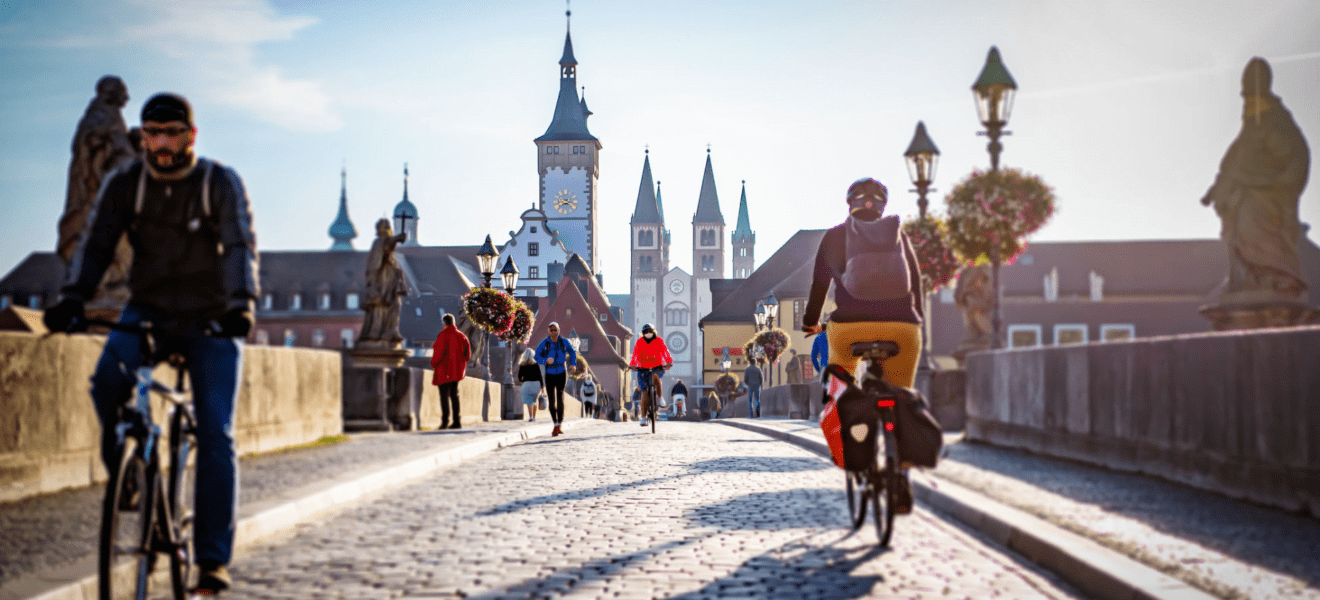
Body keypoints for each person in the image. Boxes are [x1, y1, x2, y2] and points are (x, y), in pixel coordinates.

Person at [44, 92, 258, 594]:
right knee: (104, 385)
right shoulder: (127, 183)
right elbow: (97, 243)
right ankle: (131, 469)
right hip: (150, 311)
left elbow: (238, 244)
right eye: (152, 134)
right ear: (142, 136)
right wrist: (74, 295)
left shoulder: (216, 183)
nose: (161, 143)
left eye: (171, 133)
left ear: (190, 136)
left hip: (211, 317)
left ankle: (210, 560)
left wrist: (241, 304)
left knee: (215, 435)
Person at [801, 177, 923, 513]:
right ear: (882, 206)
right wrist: (915, 321)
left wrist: (810, 321)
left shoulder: (836, 235)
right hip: (903, 329)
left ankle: (856, 444)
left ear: (849, 203)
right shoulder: (898, 234)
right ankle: (901, 476)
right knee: (901, 396)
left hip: (849, 328)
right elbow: (915, 283)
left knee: (841, 385)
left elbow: (819, 285)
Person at [1200, 57, 1311, 303]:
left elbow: (1295, 159)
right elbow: (1236, 158)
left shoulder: (1277, 121)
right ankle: (1247, 278)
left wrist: (1264, 179)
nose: (1245, 101)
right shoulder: (1253, 123)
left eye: (1249, 93)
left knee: (1253, 221)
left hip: (1268, 196)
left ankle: (1278, 277)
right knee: (1239, 229)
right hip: (1246, 194)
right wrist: (1218, 188)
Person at [535, 321, 577, 437]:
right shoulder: (544, 344)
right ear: (548, 331)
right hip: (549, 373)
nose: (553, 332)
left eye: (555, 330)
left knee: (560, 397)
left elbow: (572, 352)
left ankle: (559, 424)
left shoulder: (564, 342)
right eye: (551, 330)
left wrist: (573, 364)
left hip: (561, 372)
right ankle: (555, 423)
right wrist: (545, 360)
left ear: (558, 331)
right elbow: (536, 356)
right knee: (551, 401)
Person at [628, 323, 673, 428]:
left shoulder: (659, 341)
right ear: (643, 334)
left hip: (657, 366)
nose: (648, 334)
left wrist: (669, 362)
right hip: (643, 369)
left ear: (654, 332)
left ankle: (660, 397)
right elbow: (635, 354)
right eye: (646, 332)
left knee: (655, 376)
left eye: (650, 332)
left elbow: (665, 352)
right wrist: (633, 365)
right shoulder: (639, 342)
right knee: (644, 393)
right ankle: (643, 418)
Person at [430, 313, 470, 429]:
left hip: (443, 371)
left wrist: (433, 363)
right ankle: (457, 421)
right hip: (456, 372)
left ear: (444, 324)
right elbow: (467, 356)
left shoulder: (442, 336)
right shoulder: (462, 336)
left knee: (444, 397)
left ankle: (445, 421)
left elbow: (438, 354)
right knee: (454, 395)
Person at [516, 348, 543, 421]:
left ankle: (531, 416)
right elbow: (540, 376)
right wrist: (542, 386)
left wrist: (522, 381)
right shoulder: (536, 364)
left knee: (529, 401)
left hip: (527, 384)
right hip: (536, 384)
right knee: (534, 400)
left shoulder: (522, 365)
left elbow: (519, 376)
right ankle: (534, 416)